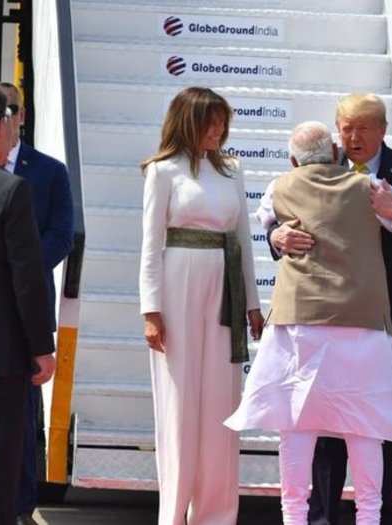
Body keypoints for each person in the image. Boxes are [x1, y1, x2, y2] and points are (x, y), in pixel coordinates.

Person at [267, 93, 392, 525]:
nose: (352, 138)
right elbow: (280, 215)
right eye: (345, 128)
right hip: (327, 314)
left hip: (388, 314)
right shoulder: (321, 166)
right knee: (323, 419)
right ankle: (323, 516)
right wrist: (276, 239)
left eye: (362, 128)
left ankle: (377, 514)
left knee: (375, 418)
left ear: (382, 130)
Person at [226, 121, 392, 525]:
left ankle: (294, 519)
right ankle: (369, 518)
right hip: (362, 324)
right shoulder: (370, 187)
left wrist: (276, 236)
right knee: (365, 430)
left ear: (294, 160)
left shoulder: (280, 187)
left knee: (295, 427)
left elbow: (268, 225)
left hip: (299, 324)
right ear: (334, 153)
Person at [139, 86, 264, 525]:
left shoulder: (232, 170)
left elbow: (243, 241)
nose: (219, 131)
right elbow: (151, 246)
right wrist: (151, 310)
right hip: (177, 287)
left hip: (224, 289)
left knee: (220, 404)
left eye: (222, 122)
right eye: (211, 122)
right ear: (189, 122)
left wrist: (252, 302)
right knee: (179, 402)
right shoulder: (163, 171)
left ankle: (215, 515)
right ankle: (172, 514)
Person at [0, 82, 74, 525]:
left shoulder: (48, 171)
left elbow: (61, 233)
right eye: (1, 109)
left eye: (14, 108)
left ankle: (21, 504)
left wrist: (19, 267)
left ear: (22, 115)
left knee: (22, 417)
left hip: (26, 306)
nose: (8, 117)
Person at [0, 82, 56, 525]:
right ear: (0, 125)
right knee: (0, 464)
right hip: (2, 357)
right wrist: (41, 348)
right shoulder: (11, 192)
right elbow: (27, 280)